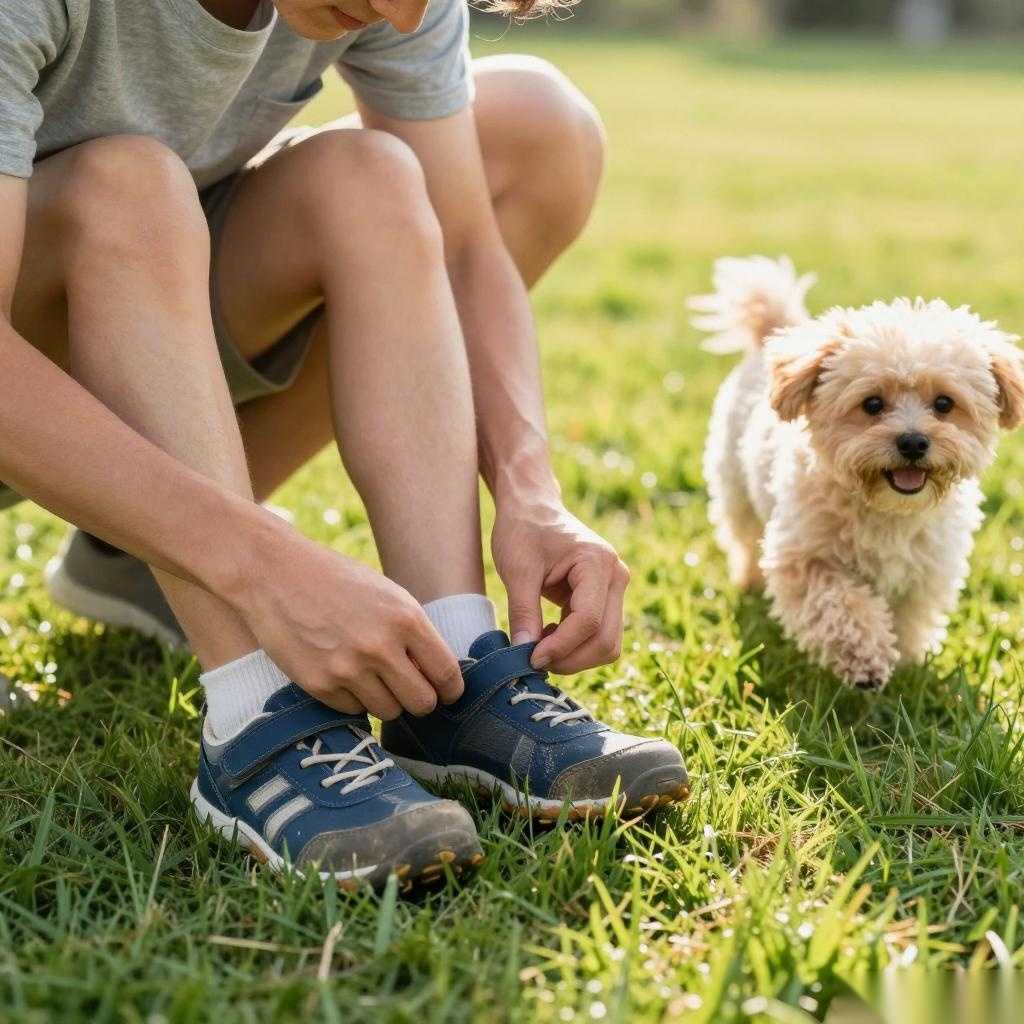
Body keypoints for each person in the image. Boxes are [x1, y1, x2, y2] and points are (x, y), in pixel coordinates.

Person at [0, 0, 687, 887]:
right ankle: (252, 709)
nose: (405, 13)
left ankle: (451, 668)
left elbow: (468, 243)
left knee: (373, 174)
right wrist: (260, 562)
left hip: (119, 316)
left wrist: (529, 488)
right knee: (125, 187)